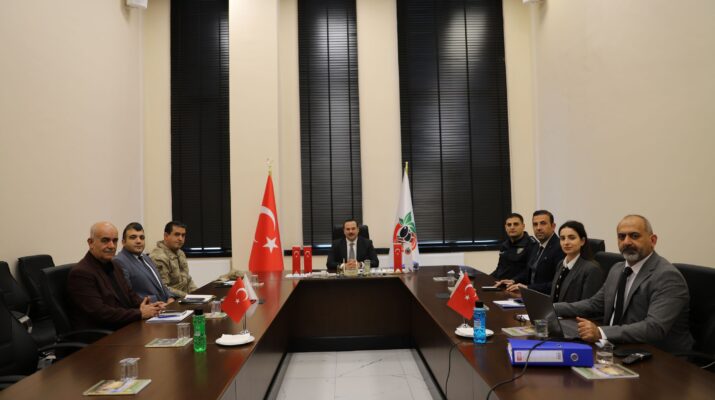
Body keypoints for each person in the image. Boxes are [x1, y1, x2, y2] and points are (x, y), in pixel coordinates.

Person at [554, 215, 694, 353]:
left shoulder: (667, 276)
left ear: (653, 240)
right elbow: (594, 304)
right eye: (621, 237)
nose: (627, 242)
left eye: (634, 236)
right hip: (615, 346)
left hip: (658, 356)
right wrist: (553, 308)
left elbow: (654, 328)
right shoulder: (617, 269)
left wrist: (601, 332)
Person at [68, 222, 164, 331]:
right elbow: (101, 312)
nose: (111, 246)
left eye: (114, 241)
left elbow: (130, 295)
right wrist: (139, 313)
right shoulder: (81, 273)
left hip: (123, 326)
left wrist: (150, 306)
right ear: (91, 243)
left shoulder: (115, 265)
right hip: (102, 334)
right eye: (105, 240)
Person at [496, 210, 565, 294]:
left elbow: (559, 284)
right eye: (535, 224)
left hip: (547, 299)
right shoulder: (537, 246)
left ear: (553, 226)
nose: (538, 228)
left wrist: (528, 288)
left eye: (543, 223)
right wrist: (513, 280)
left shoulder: (560, 247)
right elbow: (529, 272)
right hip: (531, 296)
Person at [114, 222, 178, 303]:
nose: (138, 241)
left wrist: (170, 297)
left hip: (166, 306)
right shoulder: (119, 261)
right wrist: (157, 302)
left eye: (142, 237)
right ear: (123, 242)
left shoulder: (146, 257)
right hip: (149, 307)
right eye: (133, 237)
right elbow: (127, 295)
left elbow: (160, 284)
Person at [549, 220, 604, 303]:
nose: (566, 242)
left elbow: (588, 305)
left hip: (572, 312)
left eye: (572, 238)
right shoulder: (561, 264)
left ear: (582, 241)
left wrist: (556, 308)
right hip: (555, 310)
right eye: (562, 238)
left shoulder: (592, 269)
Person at [149, 221, 197, 297]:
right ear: (166, 236)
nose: (180, 238)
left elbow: (188, 279)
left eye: (183, 235)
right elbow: (163, 288)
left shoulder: (180, 253)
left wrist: (199, 294)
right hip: (171, 299)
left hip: (185, 298)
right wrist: (188, 296)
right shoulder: (158, 257)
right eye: (177, 234)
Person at [490, 213, 537, 280]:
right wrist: (485, 279)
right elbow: (499, 270)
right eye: (509, 225)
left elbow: (529, 271)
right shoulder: (504, 245)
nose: (512, 227)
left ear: (523, 226)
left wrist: (513, 281)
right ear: (505, 227)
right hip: (502, 283)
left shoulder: (531, 244)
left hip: (517, 284)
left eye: (516, 224)